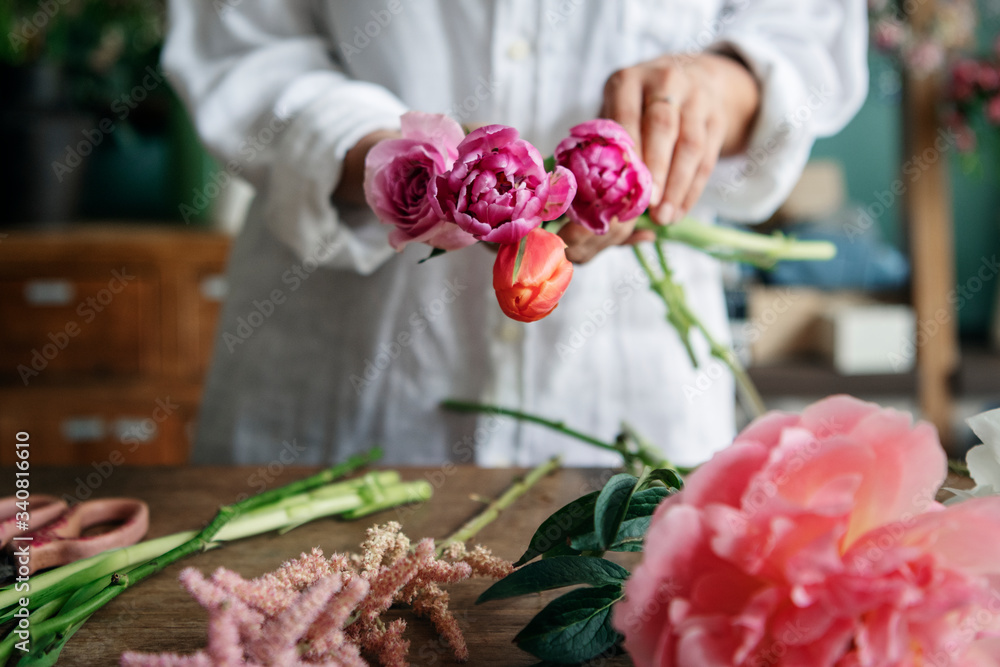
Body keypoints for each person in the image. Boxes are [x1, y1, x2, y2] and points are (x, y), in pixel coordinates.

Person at [163, 1, 868, 468]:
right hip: (333, 387)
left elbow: (803, 36)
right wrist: (388, 160)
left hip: (631, 385)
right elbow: (242, 40)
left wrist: (719, 85)